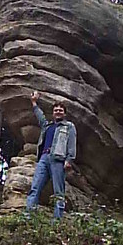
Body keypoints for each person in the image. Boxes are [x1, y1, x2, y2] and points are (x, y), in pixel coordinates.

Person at [26, 90, 77, 219]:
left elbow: (71, 144)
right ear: (53, 113)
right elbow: (40, 116)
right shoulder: (47, 126)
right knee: (35, 187)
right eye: (56, 110)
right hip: (43, 158)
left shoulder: (69, 126)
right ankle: (28, 217)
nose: (58, 111)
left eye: (60, 110)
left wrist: (69, 160)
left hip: (58, 160)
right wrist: (34, 102)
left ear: (64, 113)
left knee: (59, 192)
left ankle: (57, 220)